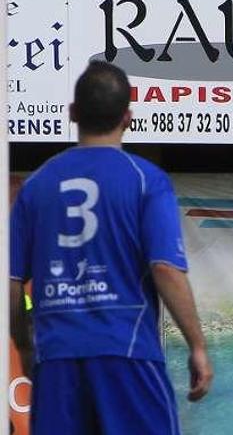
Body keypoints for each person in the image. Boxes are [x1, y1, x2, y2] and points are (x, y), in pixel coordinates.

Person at [9, 61, 213, 435]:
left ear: (72, 113)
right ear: (128, 117)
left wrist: (24, 347)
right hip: (127, 350)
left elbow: (11, 281)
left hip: (57, 359)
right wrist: (197, 346)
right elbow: (165, 269)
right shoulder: (145, 180)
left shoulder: (36, 187)